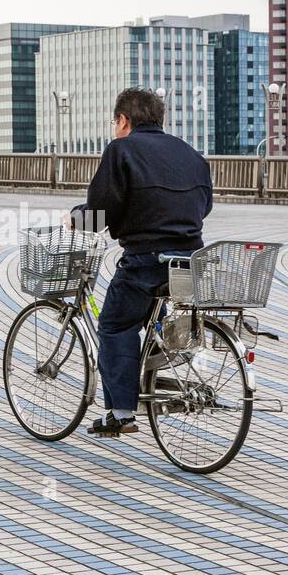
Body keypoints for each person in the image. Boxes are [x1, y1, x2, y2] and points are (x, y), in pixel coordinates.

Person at [67, 88, 213, 436]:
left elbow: (101, 212)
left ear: (124, 120)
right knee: (149, 312)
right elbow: (204, 206)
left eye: (114, 122)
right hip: (190, 259)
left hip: (146, 259)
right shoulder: (190, 153)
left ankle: (121, 413)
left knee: (116, 325)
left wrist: (77, 217)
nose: (114, 129)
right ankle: (157, 363)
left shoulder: (121, 150)